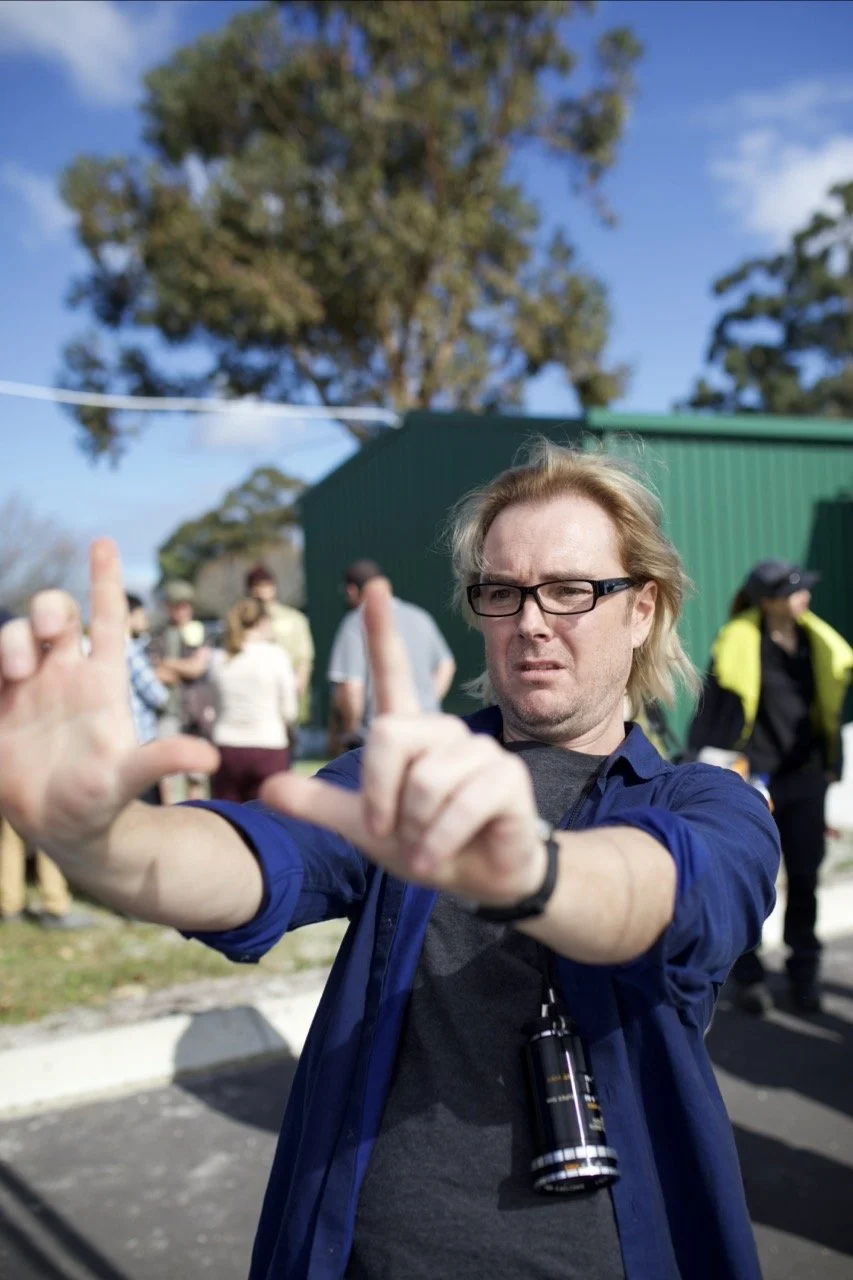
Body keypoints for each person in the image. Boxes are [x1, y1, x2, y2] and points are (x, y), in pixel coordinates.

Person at [0, 441, 779, 1280]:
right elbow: (259, 858)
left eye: (570, 590)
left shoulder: (705, 801)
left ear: (640, 609)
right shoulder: (403, 777)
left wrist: (534, 871)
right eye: (501, 592)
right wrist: (101, 844)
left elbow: (662, 891)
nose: (530, 622)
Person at [687, 558, 853, 1016]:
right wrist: (707, 772)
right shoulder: (740, 644)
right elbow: (715, 713)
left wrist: (831, 765)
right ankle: (750, 977)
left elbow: (828, 710)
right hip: (754, 779)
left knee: (804, 878)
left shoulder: (811, 641)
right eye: (797, 590)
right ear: (771, 600)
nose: (807, 596)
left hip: (804, 778)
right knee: (748, 878)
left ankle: (805, 973)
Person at [328, 558, 456, 747]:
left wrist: (352, 730)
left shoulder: (355, 622)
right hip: (428, 728)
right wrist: (427, 700)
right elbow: (446, 665)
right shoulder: (420, 616)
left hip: (380, 736)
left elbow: (351, 686)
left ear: (351, 590)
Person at [209, 598, 298, 803]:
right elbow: (289, 711)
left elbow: (215, 706)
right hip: (268, 747)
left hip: (226, 748)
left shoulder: (220, 658)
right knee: (268, 821)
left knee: (227, 820)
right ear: (262, 622)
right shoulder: (276, 655)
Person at [148, 580, 212, 802]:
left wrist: (169, 664)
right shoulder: (158, 635)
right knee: (167, 773)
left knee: (195, 774)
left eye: (185, 605)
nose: (182, 610)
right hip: (167, 711)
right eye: (177, 605)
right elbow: (154, 672)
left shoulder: (201, 632)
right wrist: (184, 667)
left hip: (195, 714)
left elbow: (197, 668)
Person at [245, 564, 314, 725]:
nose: (261, 591)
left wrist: (295, 696)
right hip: (253, 705)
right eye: (256, 586)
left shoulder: (294, 619)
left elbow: (304, 661)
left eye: (265, 585)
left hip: (287, 701)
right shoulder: (241, 622)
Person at [125, 593, 170, 805]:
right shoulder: (129, 649)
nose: (145, 619)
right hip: (140, 743)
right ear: (128, 616)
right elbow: (158, 695)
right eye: (141, 614)